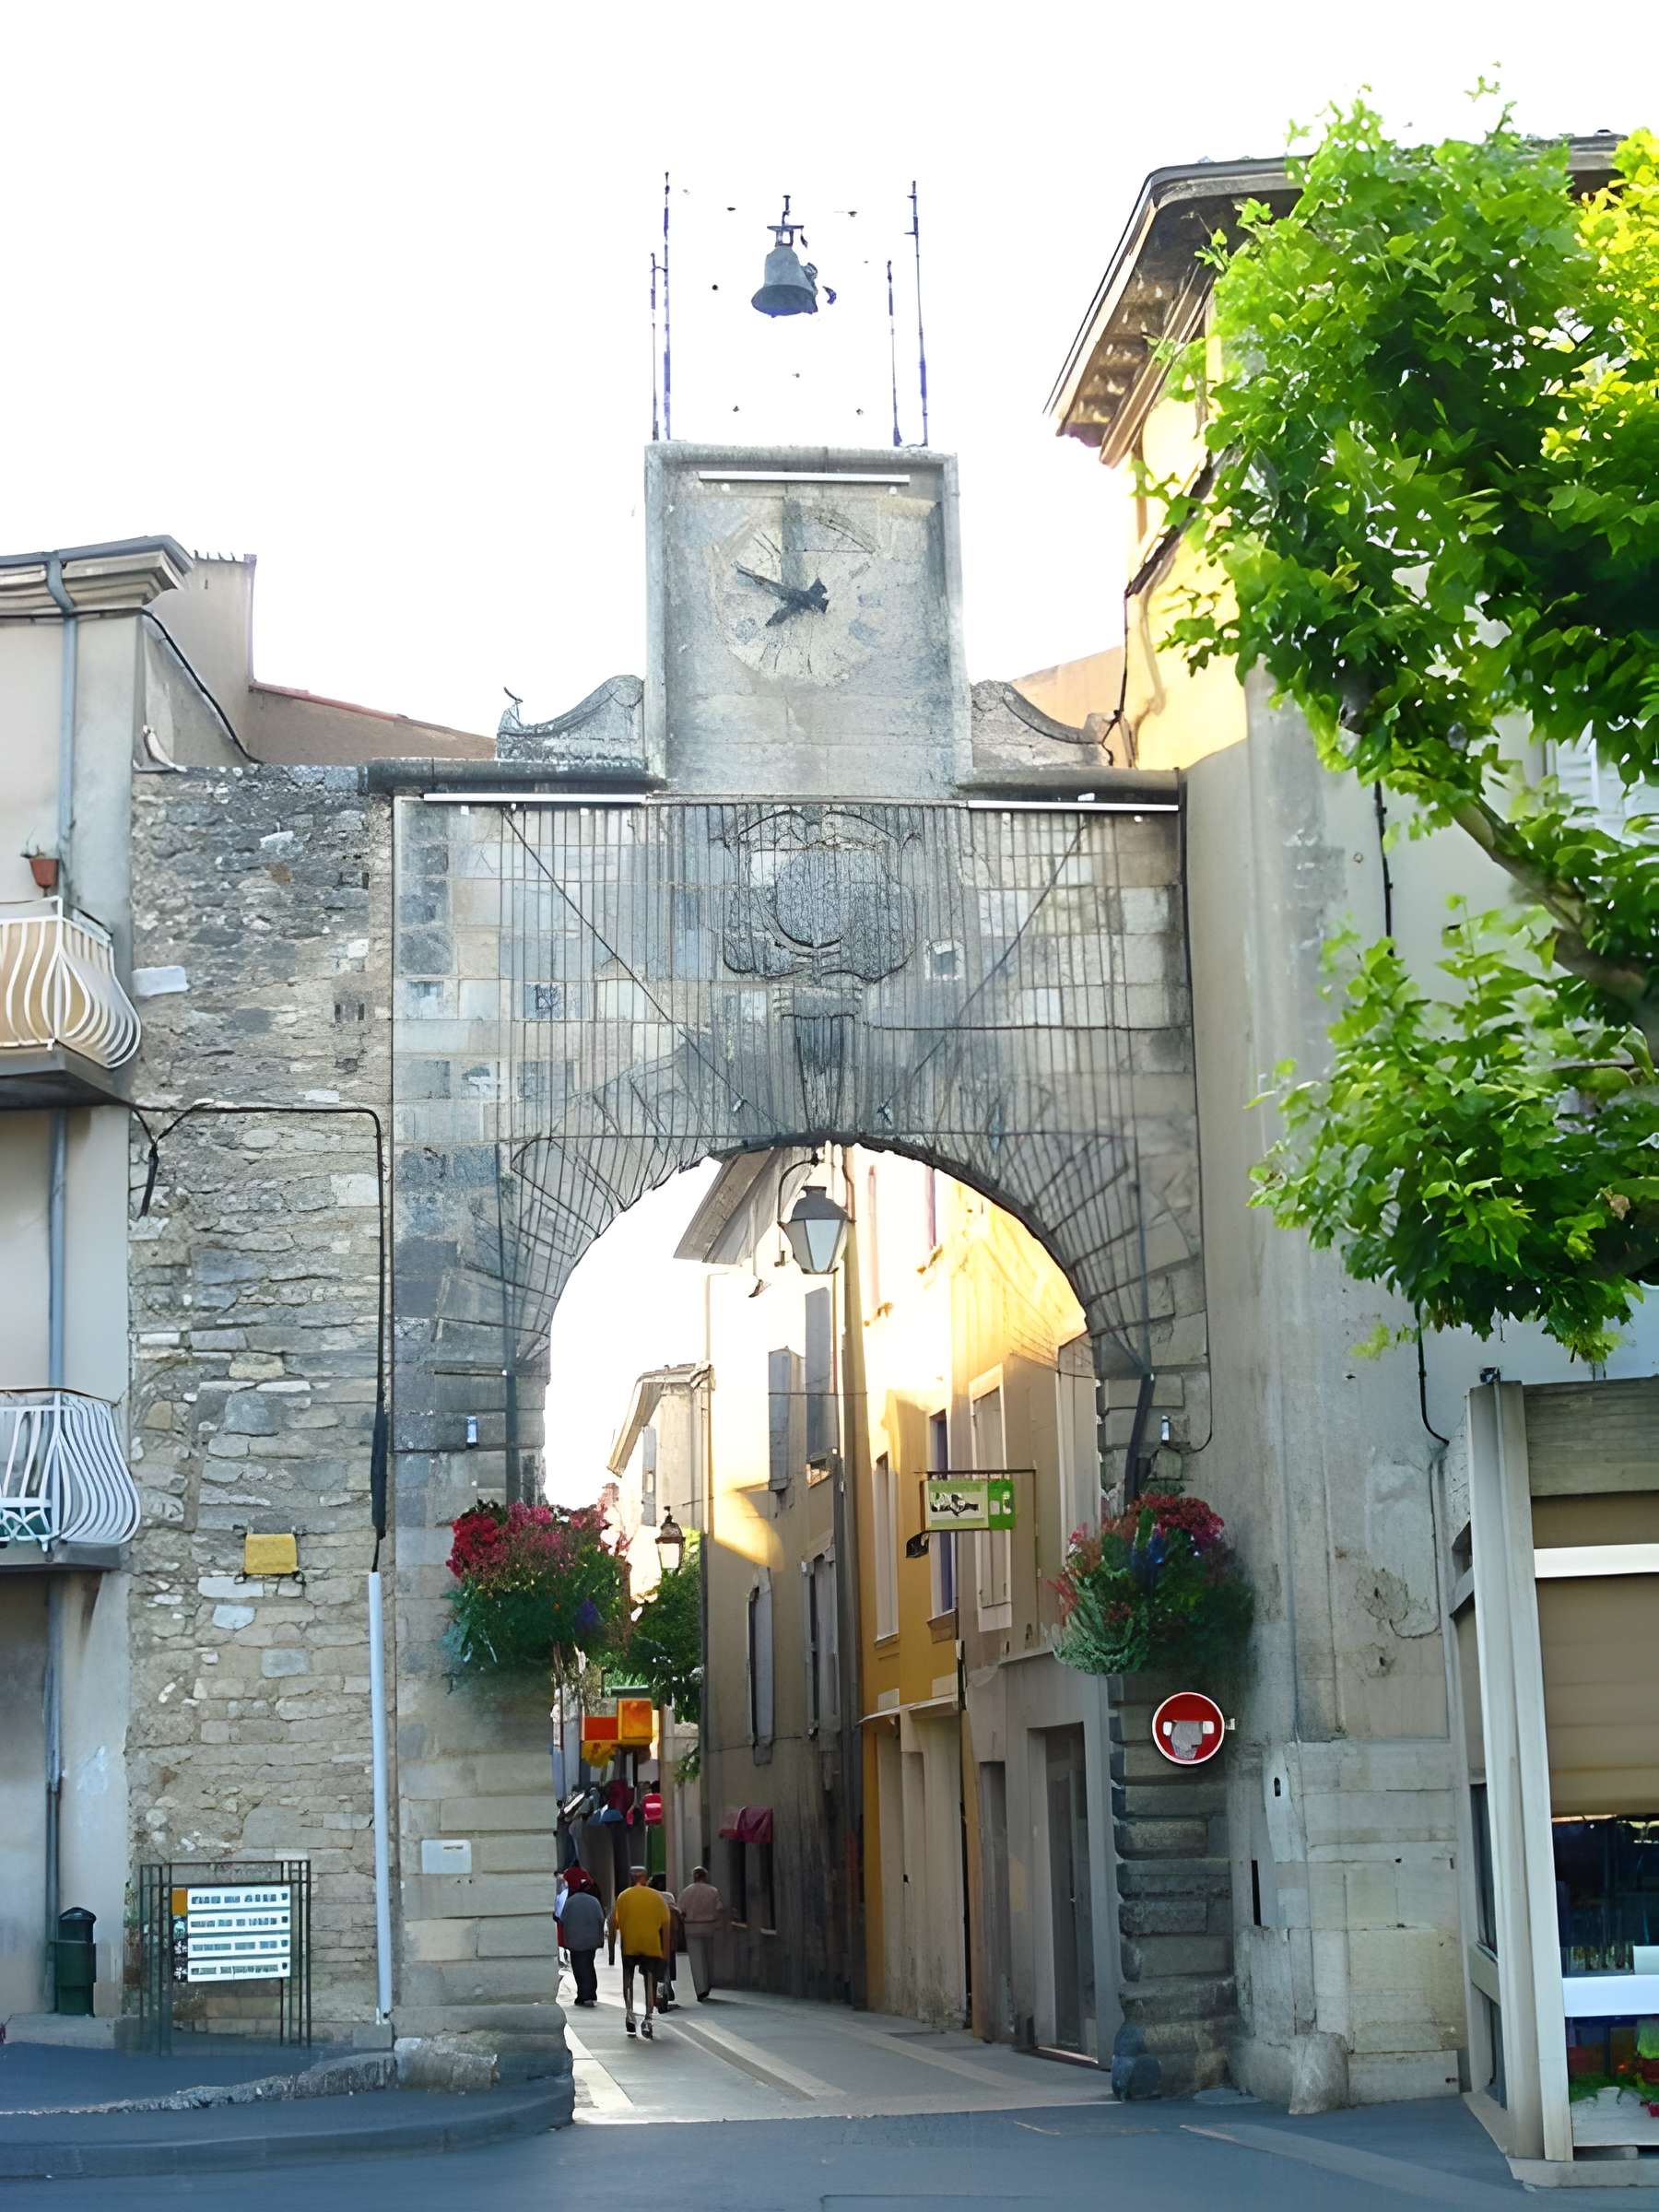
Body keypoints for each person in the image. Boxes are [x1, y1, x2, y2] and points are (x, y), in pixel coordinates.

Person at [607, 1865, 671, 2038]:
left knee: (628, 1978)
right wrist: (665, 1952)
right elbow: (666, 1926)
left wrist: (612, 1952)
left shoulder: (623, 1897)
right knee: (650, 1979)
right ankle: (648, 2018)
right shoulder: (657, 1898)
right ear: (645, 1878)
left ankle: (630, 2015)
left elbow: (613, 1924)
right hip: (651, 1944)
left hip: (630, 1945)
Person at [558, 1867, 605, 2008]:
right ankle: (591, 1992)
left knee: (579, 1967)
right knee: (589, 1965)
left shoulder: (570, 1902)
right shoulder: (594, 1901)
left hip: (575, 1941)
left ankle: (583, 1994)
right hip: (591, 1941)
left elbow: (562, 1920)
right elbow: (601, 1919)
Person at [676, 1865, 724, 2002]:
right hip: (709, 1927)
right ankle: (708, 1985)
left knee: (696, 1960)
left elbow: (680, 1911)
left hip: (692, 1928)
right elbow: (719, 1908)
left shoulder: (686, 1892)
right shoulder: (713, 1891)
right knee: (709, 1958)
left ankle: (700, 1989)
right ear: (705, 1876)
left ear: (694, 1876)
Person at [649, 1873, 679, 2010]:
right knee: (666, 1967)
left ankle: (660, 1996)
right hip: (667, 1937)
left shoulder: (647, 1896)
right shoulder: (669, 1896)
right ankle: (666, 1989)